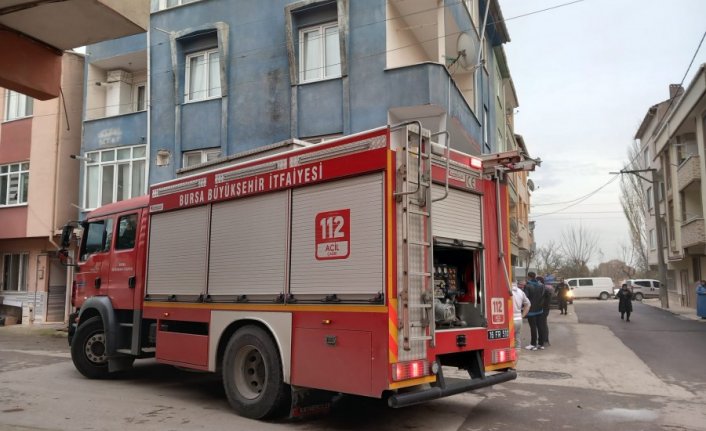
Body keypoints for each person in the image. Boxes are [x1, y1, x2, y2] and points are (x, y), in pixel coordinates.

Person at [523, 272, 549, 350]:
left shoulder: (527, 286)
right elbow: (543, 296)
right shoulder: (541, 285)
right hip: (540, 310)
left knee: (533, 327)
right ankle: (541, 344)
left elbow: (525, 298)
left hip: (531, 311)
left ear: (529, 277)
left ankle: (533, 344)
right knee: (540, 326)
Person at [511, 282, 531, 356]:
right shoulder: (520, 291)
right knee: (517, 342)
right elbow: (528, 304)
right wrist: (522, 316)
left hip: (509, 320)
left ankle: (509, 360)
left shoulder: (505, 290)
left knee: (507, 342)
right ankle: (514, 362)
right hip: (518, 319)